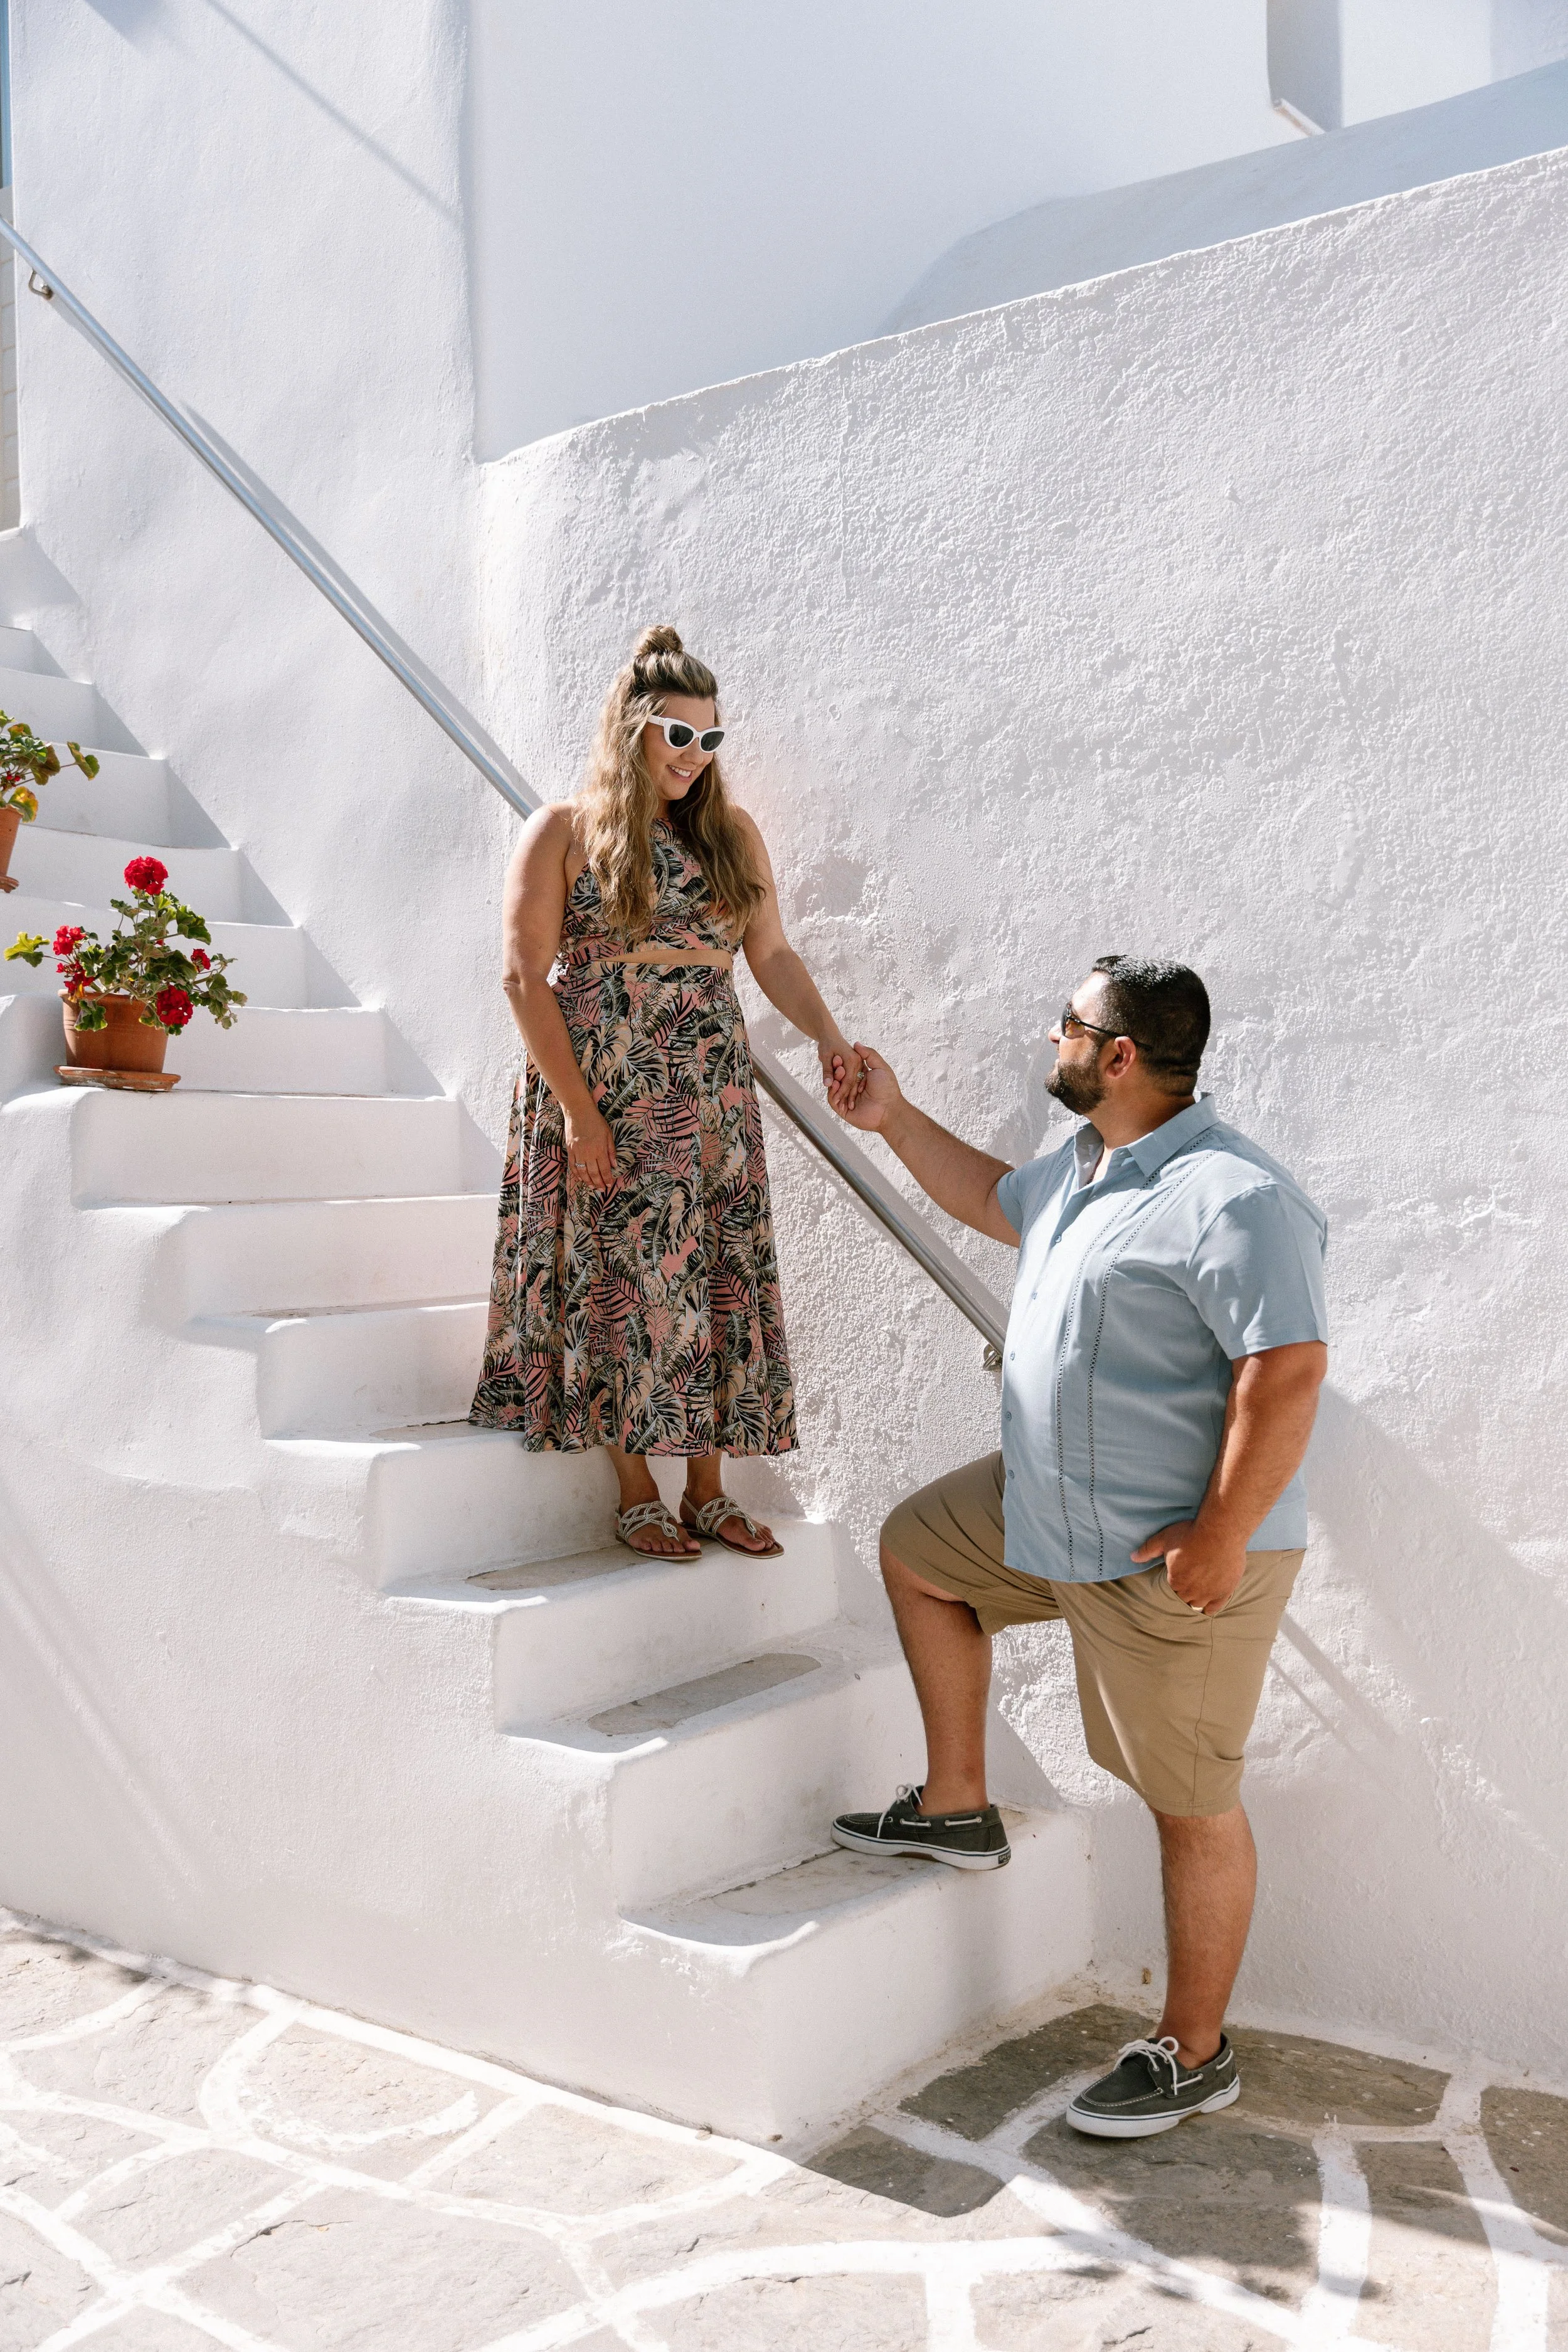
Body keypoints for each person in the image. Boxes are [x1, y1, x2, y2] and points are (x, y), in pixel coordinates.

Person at [828, 956, 1328, 2139]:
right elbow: (999, 1196)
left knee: (1186, 1800)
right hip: (1047, 1512)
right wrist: (891, 1116)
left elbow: (1289, 1367)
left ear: (1117, 1056)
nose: (1048, 1036)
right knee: (919, 1550)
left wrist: (1221, 1535)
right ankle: (957, 1802)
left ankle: (1195, 2050)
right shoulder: (1091, 1162)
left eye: (1068, 1022)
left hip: (1168, 1563)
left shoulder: (1233, 1195)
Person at [470, 625, 862, 1559]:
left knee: (719, 1270)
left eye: (711, 739)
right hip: (603, 1083)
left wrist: (831, 1038)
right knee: (616, 1274)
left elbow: (768, 955)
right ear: (632, 728)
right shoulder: (563, 831)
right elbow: (526, 977)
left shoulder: (730, 836)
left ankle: (709, 1490)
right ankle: (638, 1487)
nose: (694, 756)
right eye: (677, 734)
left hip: (709, 1090)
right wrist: (577, 1108)